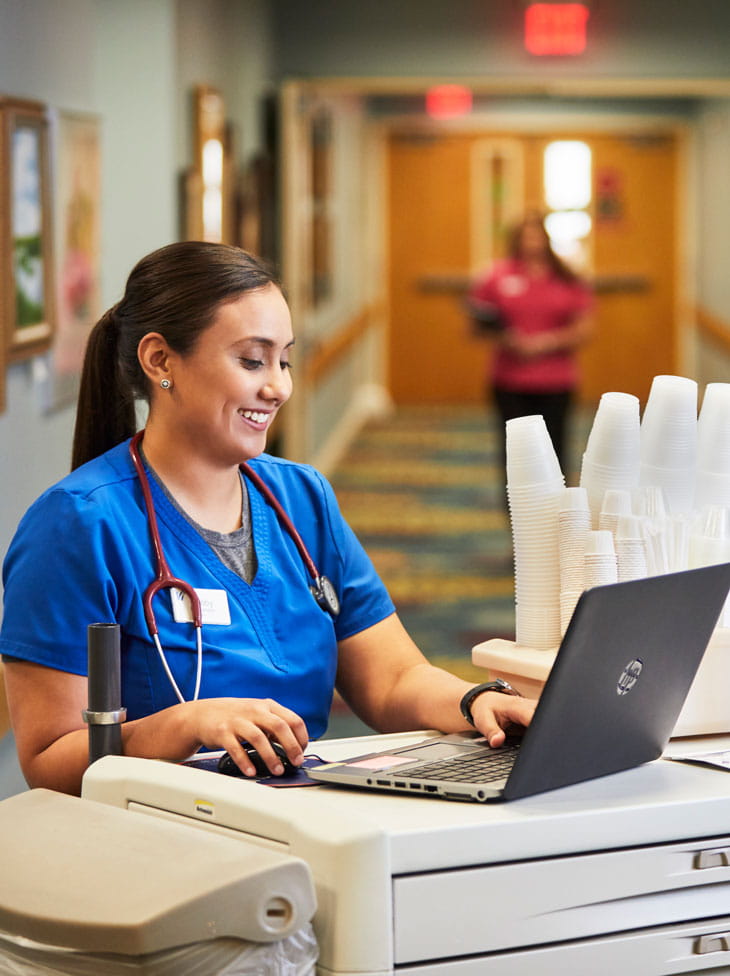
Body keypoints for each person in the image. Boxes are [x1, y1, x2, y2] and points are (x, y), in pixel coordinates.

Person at [0, 241, 535, 796]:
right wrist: (183, 726)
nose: (279, 387)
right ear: (160, 360)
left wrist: (476, 702)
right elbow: (47, 758)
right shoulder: (78, 526)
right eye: (252, 360)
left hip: (308, 819)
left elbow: (392, 679)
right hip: (163, 836)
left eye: (284, 360)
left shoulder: (302, 496)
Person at [467, 212, 594, 476]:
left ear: (546, 239)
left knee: (555, 450)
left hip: (556, 380)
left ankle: (556, 512)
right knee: (515, 453)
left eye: (537, 235)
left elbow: (585, 329)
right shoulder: (497, 275)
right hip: (510, 380)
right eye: (526, 236)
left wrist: (544, 343)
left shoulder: (567, 277)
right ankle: (516, 512)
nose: (531, 243)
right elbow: (476, 323)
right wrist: (507, 338)